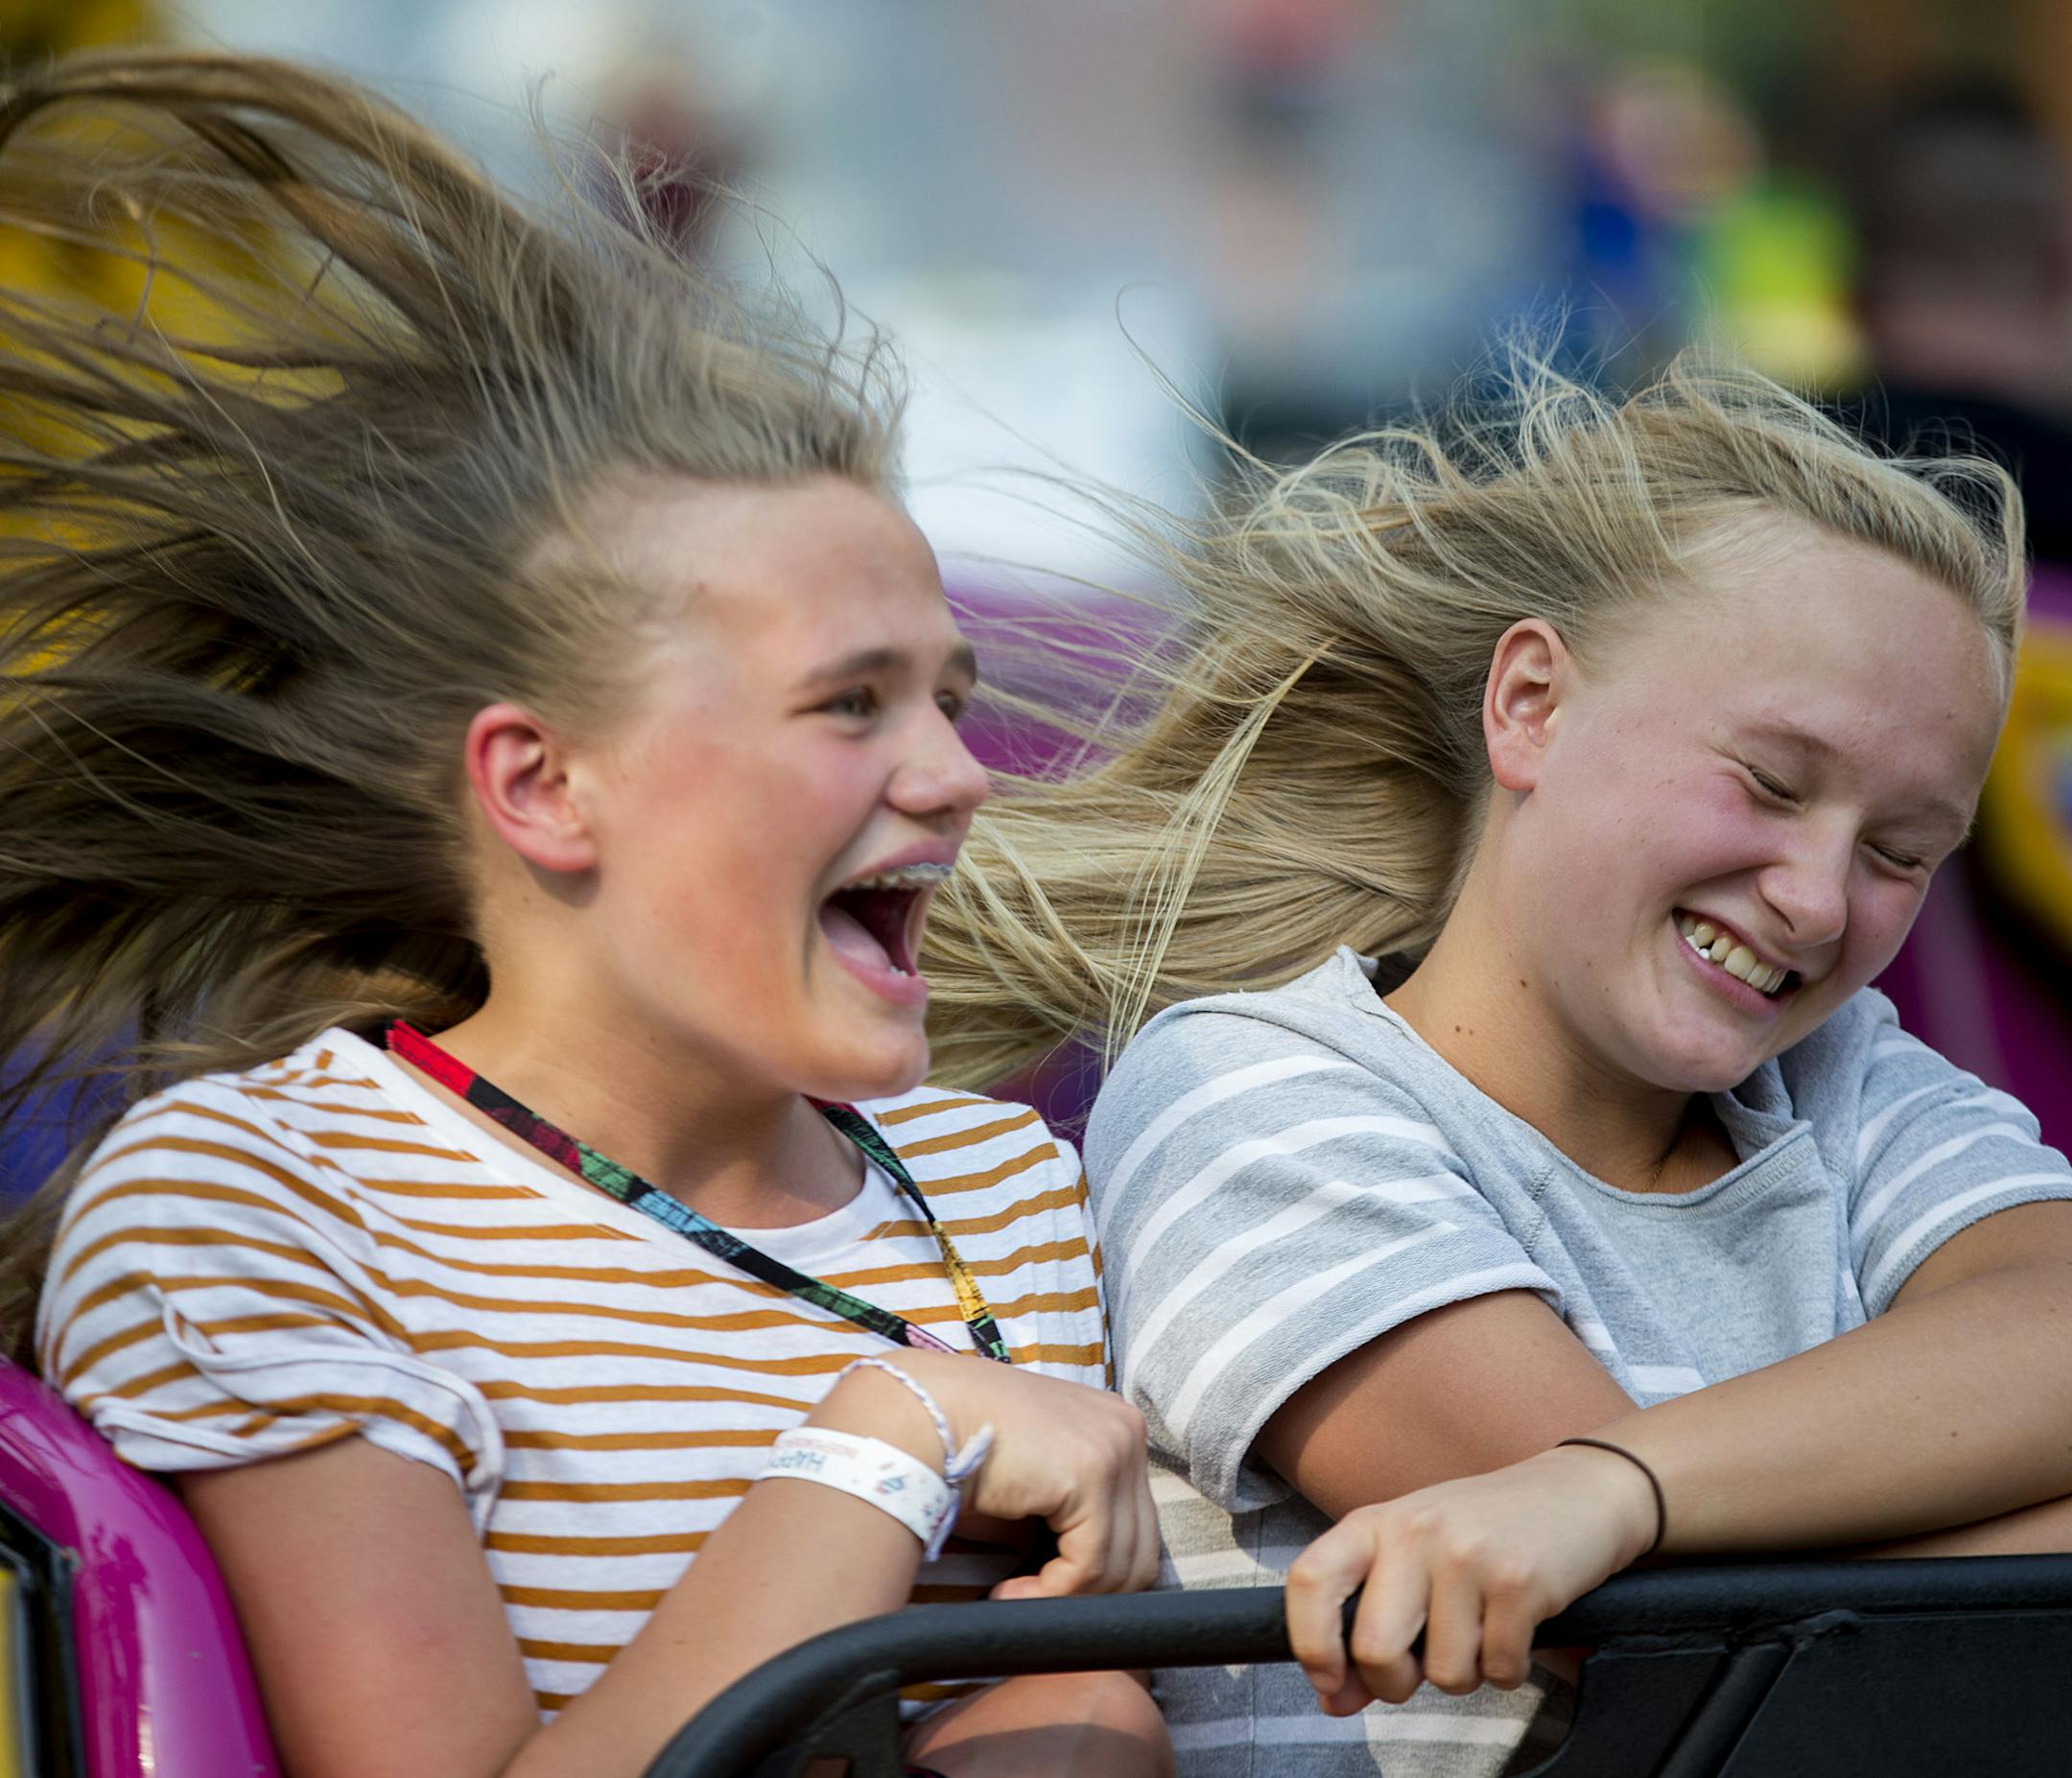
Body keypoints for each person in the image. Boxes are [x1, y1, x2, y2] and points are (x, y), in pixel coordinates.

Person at [0, 50, 1170, 1778]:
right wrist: (890, 1432)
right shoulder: (261, 1202)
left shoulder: (1004, 1189)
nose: (954, 771)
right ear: (544, 784)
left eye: (950, 696)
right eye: (850, 704)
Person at [922, 348, 2072, 1773]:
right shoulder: (1245, 1094)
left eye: (1902, 851)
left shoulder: (1845, 1072)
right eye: (1772, 784)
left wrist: (1610, 1489)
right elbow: (1689, 1646)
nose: (1823, 902)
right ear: (1529, 703)